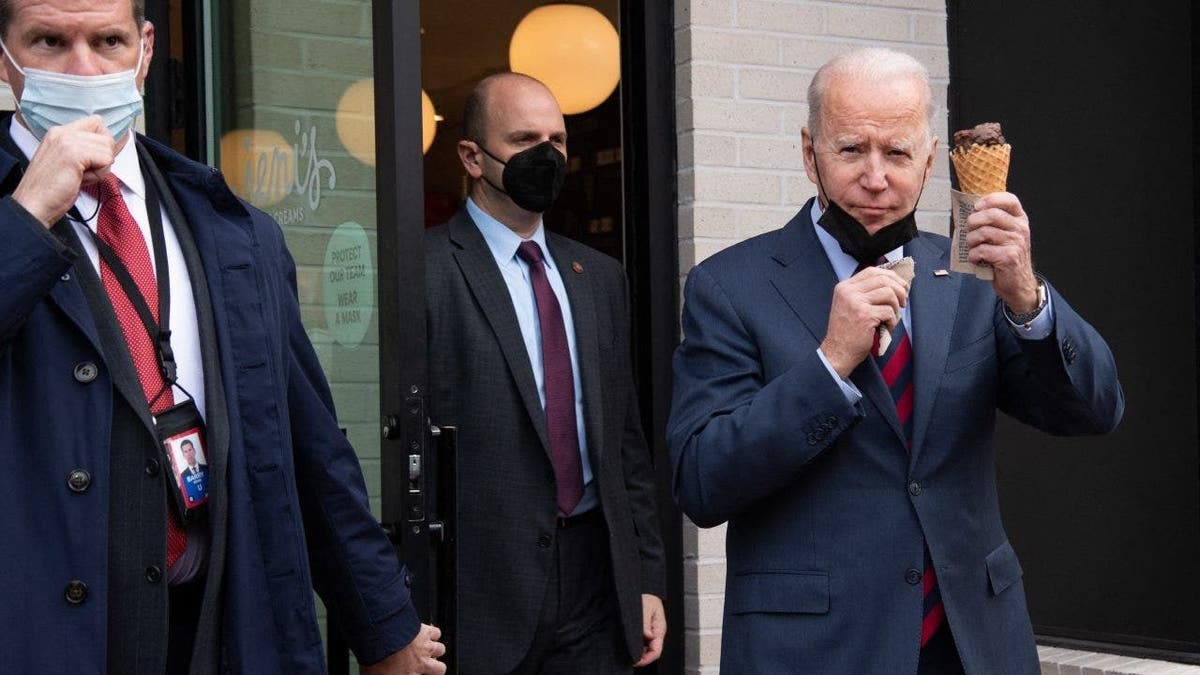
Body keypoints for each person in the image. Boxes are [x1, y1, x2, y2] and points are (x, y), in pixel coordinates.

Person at [0, 0, 444, 673]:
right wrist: (27, 218)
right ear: (5, 60)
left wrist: (382, 624)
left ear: (145, 52)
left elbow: (307, 446)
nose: (84, 67)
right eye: (50, 41)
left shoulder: (230, 227)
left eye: (109, 40)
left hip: (221, 629)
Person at [666, 48, 1124, 675]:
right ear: (810, 154)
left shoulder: (974, 276)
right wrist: (829, 364)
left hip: (973, 644)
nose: (876, 178)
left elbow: (1093, 411)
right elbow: (701, 482)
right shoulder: (730, 286)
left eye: (899, 153)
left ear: (931, 160)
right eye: (852, 150)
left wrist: (1027, 294)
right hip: (817, 650)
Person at [424, 72, 667, 674]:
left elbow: (625, 444)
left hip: (595, 583)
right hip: (479, 595)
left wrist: (645, 577)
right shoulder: (425, 270)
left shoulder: (599, 277)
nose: (548, 155)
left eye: (557, 139)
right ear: (472, 157)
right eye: (526, 138)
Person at [178, 439, 208, 504]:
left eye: (190, 450)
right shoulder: (182, 476)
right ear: (183, 455)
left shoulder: (206, 468)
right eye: (185, 452)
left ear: (194, 451)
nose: (189, 454)